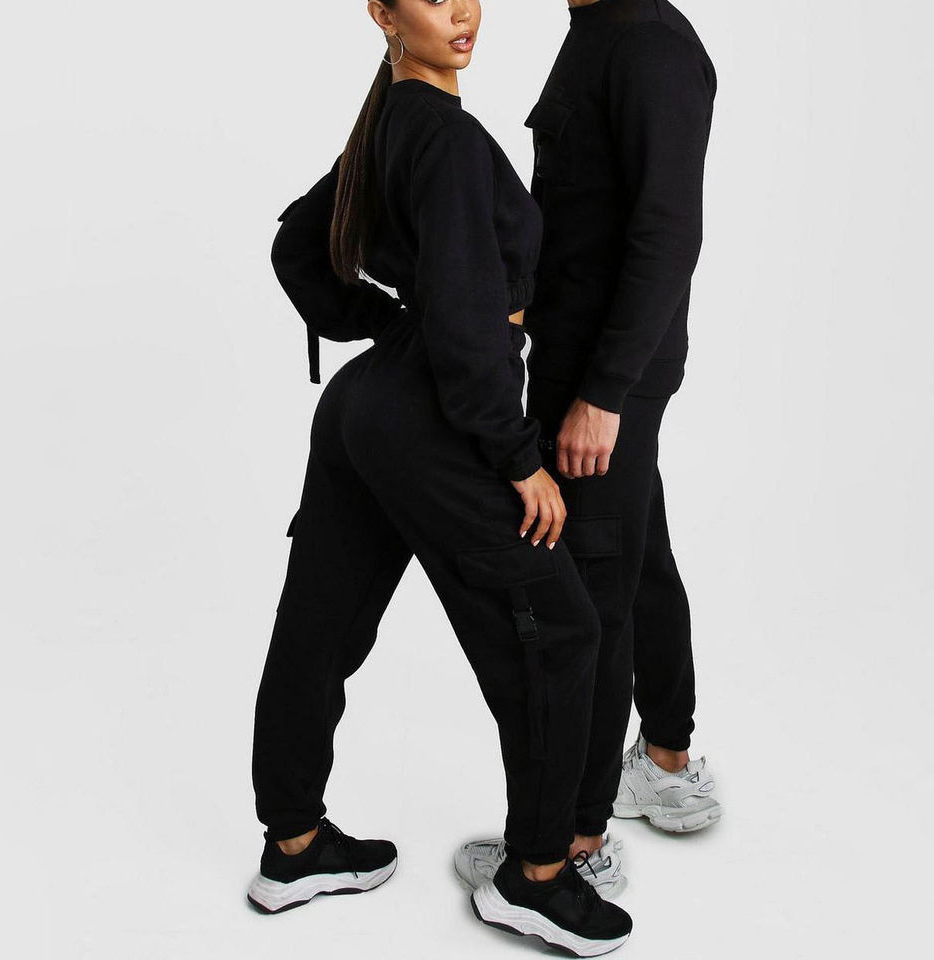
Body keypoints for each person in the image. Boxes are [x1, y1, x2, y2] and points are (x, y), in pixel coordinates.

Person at [248, 1, 632, 954]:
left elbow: (298, 247)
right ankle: (536, 878)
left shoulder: (387, 123)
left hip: (366, 410)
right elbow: (464, 323)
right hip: (434, 420)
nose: (460, 10)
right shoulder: (447, 139)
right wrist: (518, 458)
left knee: (321, 622)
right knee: (565, 630)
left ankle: (292, 845)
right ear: (382, 13)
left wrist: (389, 331)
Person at [456, 0, 722, 891]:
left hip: (601, 383)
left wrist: (603, 395)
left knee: (588, 600)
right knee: (636, 560)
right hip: (581, 368)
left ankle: (574, 843)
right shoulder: (599, 29)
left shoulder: (648, 44)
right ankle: (667, 760)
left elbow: (669, 231)